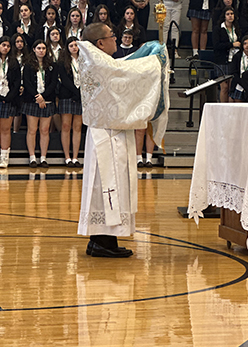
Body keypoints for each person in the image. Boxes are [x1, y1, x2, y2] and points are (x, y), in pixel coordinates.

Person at [77, 22, 169, 257]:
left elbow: (121, 66)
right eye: (112, 36)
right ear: (100, 43)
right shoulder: (98, 62)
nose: (116, 40)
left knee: (109, 187)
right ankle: (102, 242)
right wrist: (154, 60)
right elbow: (123, 74)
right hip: (107, 137)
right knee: (108, 186)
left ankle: (103, 240)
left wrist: (143, 53)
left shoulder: (98, 60)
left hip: (110, 132)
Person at [22, 39, 57, 167]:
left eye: (43, 48)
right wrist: (38, 97)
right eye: (39, 48)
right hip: (32, 101)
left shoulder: (52, 65)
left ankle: (43, 157)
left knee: (45, 129)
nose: (41, 51)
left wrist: (43, 97)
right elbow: (27, 83)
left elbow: (53, 84)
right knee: (32, 129)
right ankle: (32, 157)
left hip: (47, 100)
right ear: (34, 50)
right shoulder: (28, 65)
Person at [58, 37, 83, 166]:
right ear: (67, 47)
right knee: (66, 126)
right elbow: (64, 80)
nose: (74, 47)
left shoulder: (84, 60)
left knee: (77, 127)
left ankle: (75, 157)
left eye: (76, 45)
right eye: (71, 45)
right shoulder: (63, 61)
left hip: (81, 96)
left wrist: (80, 92)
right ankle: (67, 157)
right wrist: (76, 91)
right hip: (67, 95)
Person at [0, 36, 21, 168]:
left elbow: (17, 82)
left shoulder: (13, 62)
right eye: (3, 45)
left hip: (8, 99)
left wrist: (8, 97)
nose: (5, 48)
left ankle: (4, 157)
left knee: (5, 129)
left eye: (8, 46)